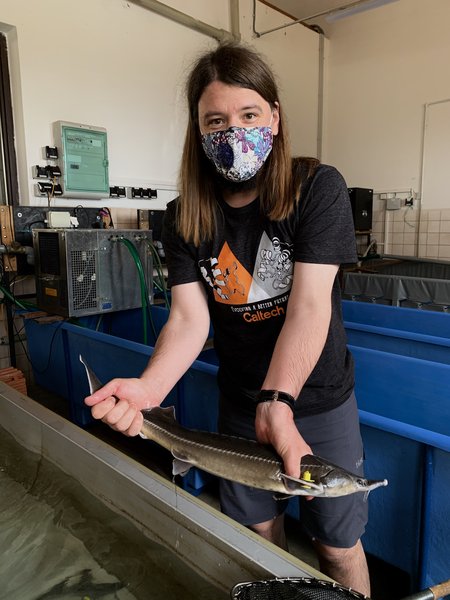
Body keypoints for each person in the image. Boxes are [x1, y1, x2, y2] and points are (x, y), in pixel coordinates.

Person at [85, 42, 370, 595]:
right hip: (240, 406)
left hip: (318, 400)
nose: (232, 132)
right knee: (259, 536)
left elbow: (311, 306)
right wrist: (147, 391)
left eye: (248, 115)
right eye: (216, 121)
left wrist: (279, 403)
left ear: (275, 118)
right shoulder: (184, 218)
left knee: (337, 545)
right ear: (198, 131)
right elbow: (190, 320)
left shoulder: (317, 188)